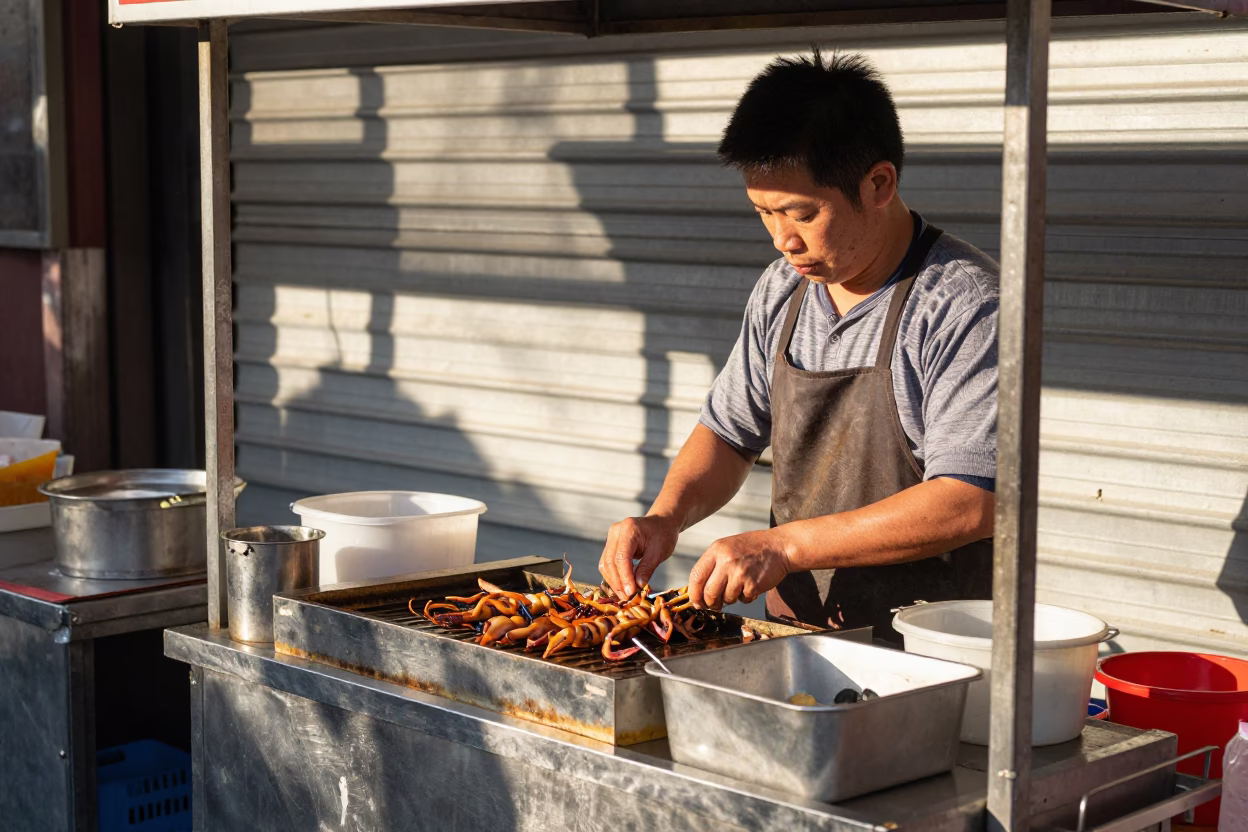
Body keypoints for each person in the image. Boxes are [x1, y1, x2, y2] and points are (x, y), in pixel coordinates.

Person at [598, 50, 998, 641]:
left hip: (932, 646)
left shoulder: (963, 303)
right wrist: (665, 517)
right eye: (764, 213)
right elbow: (729, 436)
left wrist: (785, 545)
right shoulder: (782, 288)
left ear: (879, 183)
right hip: (797, 637)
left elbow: (971, 500)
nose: (784, 239)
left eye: (802, 213)